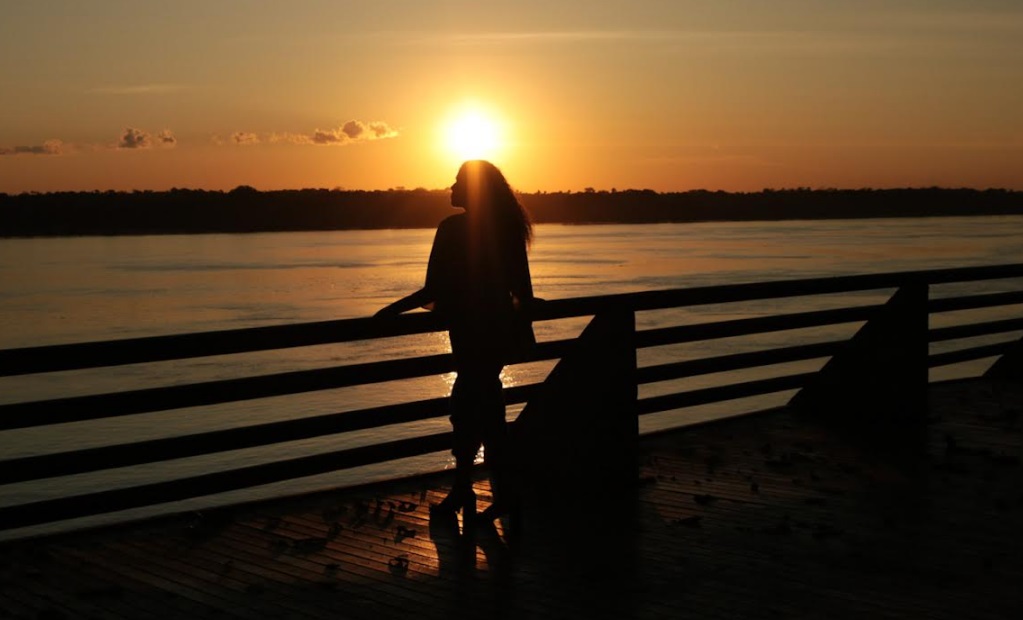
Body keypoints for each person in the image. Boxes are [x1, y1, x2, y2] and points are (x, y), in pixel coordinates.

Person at [375, 160, 536, 524]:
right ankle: (486, 492)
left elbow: (434, 290)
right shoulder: (507, 229)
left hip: (469, 334)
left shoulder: (451, 229)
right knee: (485, 414)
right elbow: (522, 290)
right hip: (495, 335)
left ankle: (471, 491)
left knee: (468, 411)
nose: (451, 186)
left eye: (459, 181)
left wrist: (391, 310)